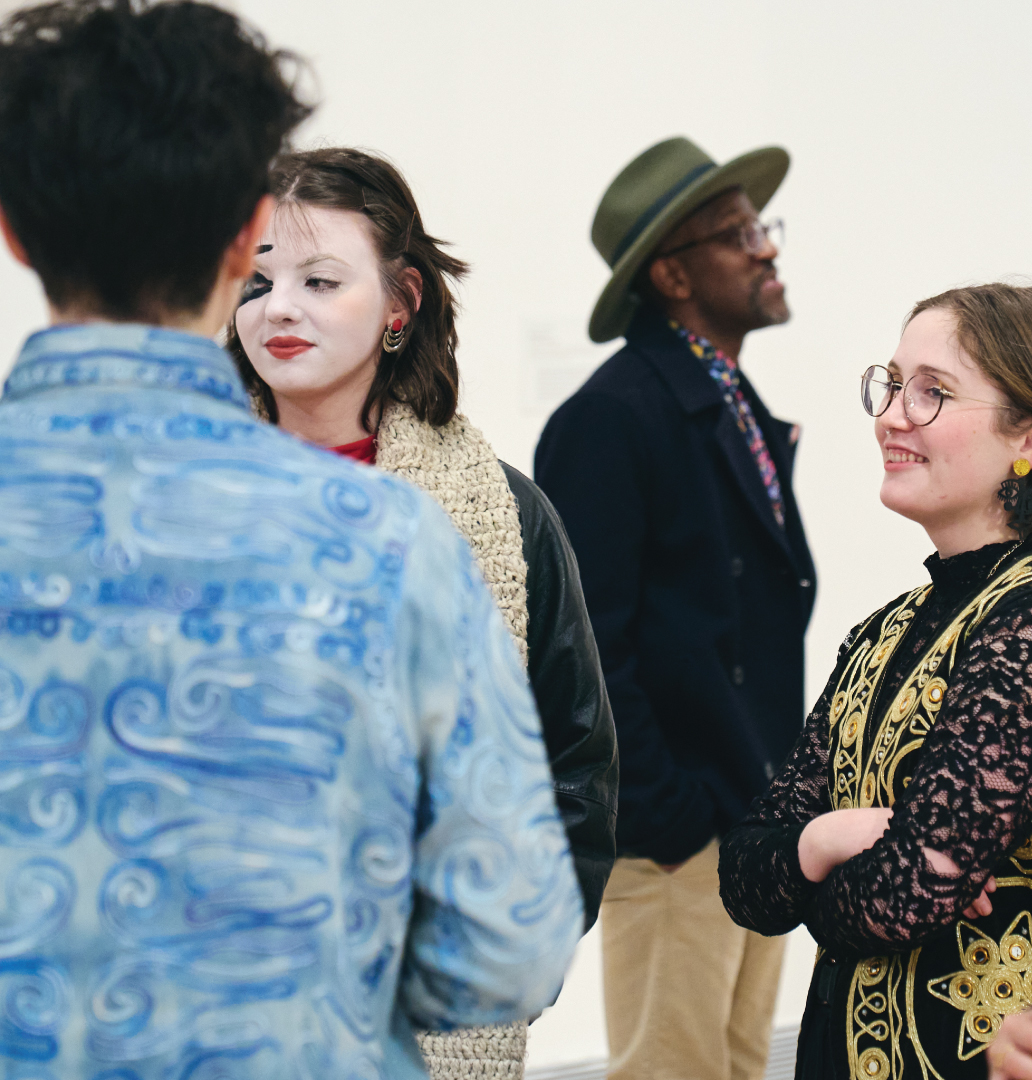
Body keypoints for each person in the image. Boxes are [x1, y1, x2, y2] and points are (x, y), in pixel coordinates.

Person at [0, 3, 584, 1079]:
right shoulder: (389, 546)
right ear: (241, 239)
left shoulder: (473, 514)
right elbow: (507, 945)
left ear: (15, 230)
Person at [228, 146, 618, 1080]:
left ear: (399, 305)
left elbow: (575, 767)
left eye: (321, 280)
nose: (281, 307)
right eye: (258, 279)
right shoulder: (176, 499)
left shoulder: (502, 513)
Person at [718, 283, 1032, 1080]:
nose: (891, 415)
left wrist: (816, 871)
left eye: (933, 393)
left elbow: (894, 903)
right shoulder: (883, 630)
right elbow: (744, 873)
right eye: (892, 383)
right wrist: (821, 839)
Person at [534, 136, 816, 1080]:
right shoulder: (611, 418)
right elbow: (583, 654)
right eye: (740, 233)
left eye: (760, 226)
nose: (766, 248)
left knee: (736, 1070)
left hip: (751, 813)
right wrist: (668, 817)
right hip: (680, 840)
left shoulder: (726, 398)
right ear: (671, 273)